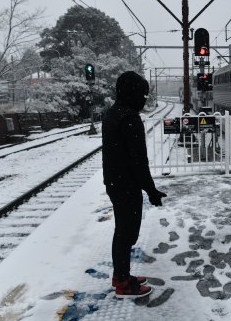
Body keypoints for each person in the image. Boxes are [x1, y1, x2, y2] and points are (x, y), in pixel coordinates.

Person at [102, 71, 167, 298]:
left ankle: (121, 275)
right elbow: (139, 161)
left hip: (114, 182)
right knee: (127, 234)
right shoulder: (130, 118)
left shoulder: (112, 113)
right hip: (127, 184)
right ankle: (123, 283)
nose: (143, 99)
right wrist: (151, 191)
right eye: (142, 93)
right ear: (132, 93)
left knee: (122, 231)